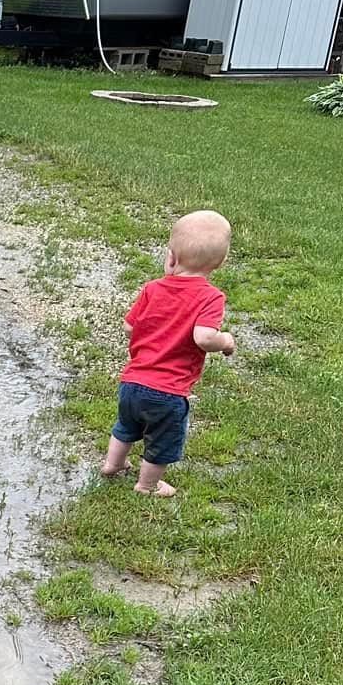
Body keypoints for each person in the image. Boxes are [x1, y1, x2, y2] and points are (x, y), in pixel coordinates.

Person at [101, 210, 235, 498]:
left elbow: (128, 326)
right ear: (221, 262)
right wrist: (225, 340)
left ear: (171, 257)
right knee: (163, 439)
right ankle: (147, 485)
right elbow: (203, 337)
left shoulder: (152, 288)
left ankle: (113, 463)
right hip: (168, 391)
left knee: (126, 424)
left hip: (132, 382)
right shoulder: (211, 297)